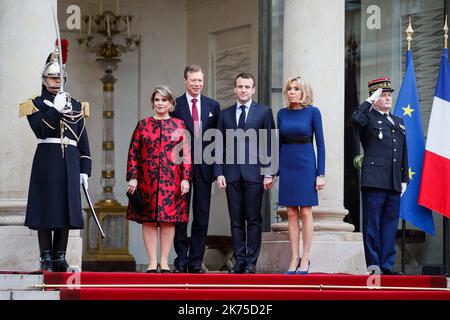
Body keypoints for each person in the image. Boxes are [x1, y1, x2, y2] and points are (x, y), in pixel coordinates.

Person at [20, 40, 91, 272]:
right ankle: (46, 257)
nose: (56, 81)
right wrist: (55, 109)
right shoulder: (35, 104)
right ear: (44, 79)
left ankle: (60, 255)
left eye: (59, 77)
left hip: (69, 160)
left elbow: (82, 141)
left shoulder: (77, 105)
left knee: (66, 207)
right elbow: (41, 130)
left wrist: (84, 170)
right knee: (45, 207)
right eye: (52, 78)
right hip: (47, 159)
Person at [215, 72, 276, 274]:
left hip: (255, 174)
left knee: (253, 218)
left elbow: (271, 144)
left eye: (247, 87)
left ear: (253, 89)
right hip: (231, 174)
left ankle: (251, 261)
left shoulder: (264, 112)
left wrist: (270, 173)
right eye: (240, 86)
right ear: (235, 89)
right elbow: (218, 146)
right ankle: (239, 260)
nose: (243, 90)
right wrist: (219, 172)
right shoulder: (224, 114)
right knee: (235, 220)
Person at [127, 86, 192, 273]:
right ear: (153, 103)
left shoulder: (179, 125)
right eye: (157, 100)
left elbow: (185, 154)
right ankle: (151, 261)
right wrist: (132, 177)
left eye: (164, 100)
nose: (160, 103)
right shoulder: (143, 125)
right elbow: (133, 153)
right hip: (146, 179)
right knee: (148, 220)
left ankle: (164, 262)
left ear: (171, 103)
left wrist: (185, 178)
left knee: (167, 220)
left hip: (171, 180)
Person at [352, 78, 408, 275]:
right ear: (374, 98)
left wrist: (404, 178)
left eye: (389, 95)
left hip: (393, 179)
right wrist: (369, 101)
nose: (387, 98)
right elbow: (356, 119)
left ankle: (387, 265)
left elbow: (403, 151)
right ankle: (374, 265)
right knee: (372, 224)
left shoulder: (398, 121)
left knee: (389, 225)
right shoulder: (367, 118)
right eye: (382, 95)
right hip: (374, 179)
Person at [170, 65, 220, 273]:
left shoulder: (213, 105)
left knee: (202, 216)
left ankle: (196, 261)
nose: (197, 84)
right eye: (193, 81)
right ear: (185, 81)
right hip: (180, 168)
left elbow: (218, 140)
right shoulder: (176, 105)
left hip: (205, 168)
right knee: (180, 216)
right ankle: (181, 260)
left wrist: (218, 171)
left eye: (200, 81)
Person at [277, 76, 325, 275]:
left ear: (304, 91)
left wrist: (320, 173)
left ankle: (305, 257)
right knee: (290, 212)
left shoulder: (313, 112)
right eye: (289, 89)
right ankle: (294, 256)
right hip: (287, 163)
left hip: (306, 164)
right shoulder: (281, 113)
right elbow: (277, 144)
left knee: (305, 211)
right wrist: (273, 172)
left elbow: (320, 144)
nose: (292, 92)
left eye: (296, 89)